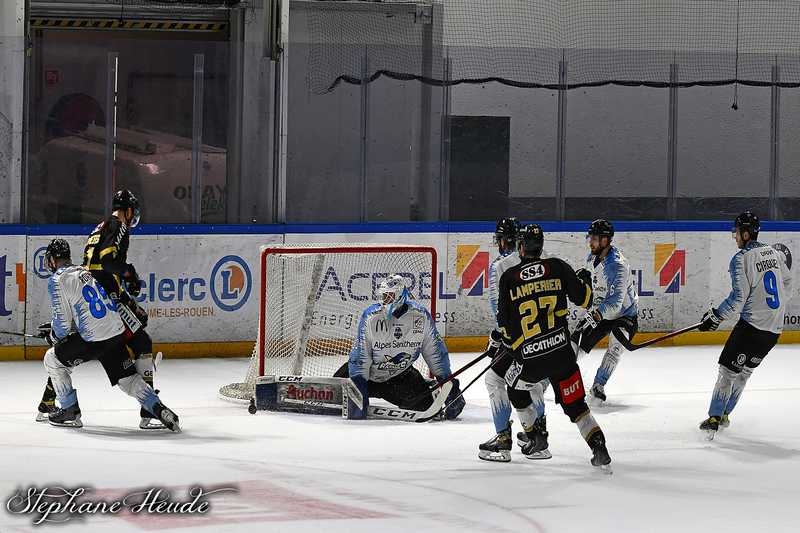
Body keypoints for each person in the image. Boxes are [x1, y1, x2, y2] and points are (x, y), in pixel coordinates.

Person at [497, 224, 611, 469]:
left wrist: (508, 344)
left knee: (513, 386)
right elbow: (585, 299)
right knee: (578, 407)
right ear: (541, 247)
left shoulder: (509, 278)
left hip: (531, 361)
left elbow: (505, 327)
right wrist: (584, 279)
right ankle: (598, 447)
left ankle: (534, 434)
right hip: (562, 355)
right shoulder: (557, 267)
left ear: (520, 247)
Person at [40, 239, 179, 432]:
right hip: (115, 332)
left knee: (52, 359)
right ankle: (157, 407)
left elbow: (62, 325)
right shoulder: (84, 272)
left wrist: (54, 336)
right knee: (128, 380)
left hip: (94, 337)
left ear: (53, 260)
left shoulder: (58, 280)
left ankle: (69, 410)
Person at [698, 211, 792, 438]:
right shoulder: (775, 253)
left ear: (746, 233)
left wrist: (716, 316)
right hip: (774, 330)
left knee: (727, 372)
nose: (735, 236)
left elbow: (739, 298)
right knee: (745, 372)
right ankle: (726, 415)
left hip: (751, 327)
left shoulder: (741, 259)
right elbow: (788, 282)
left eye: (737, 232)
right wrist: (775, 309)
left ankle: (714, 419)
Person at [334, 275, 465, 420]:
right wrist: (358, 391)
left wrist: (450, 386)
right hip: (367, 378)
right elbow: (360, 357)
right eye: (384, 296)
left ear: (401, 296)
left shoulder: (420, 317)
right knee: (333, 398)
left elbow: (436, 354)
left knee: (426, 405)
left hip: (399, 377)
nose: (385, 300)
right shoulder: (371, 317)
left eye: (389, 296)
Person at [479, 218, 550, 462]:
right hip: (548, 340)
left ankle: (503, 440)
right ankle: (539, 437)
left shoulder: (501, 266)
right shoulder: (544, 262)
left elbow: (500, 311)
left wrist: (497, 338)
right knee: (534, 384)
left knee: (494, 380)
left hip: (519, 342)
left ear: (504, 240)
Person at [572, 219, 638, 404]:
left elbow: (616, 302)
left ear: (606, 240)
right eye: (590, 237)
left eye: (594, 238)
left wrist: (596, 314)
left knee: (616, 347)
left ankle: (599, 385)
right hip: (599, 311)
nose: (590, 242)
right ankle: (557, 378)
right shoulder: (591, 258)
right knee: (574, 345)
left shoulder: (618, 266)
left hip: (625, 315)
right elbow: (594, 288)